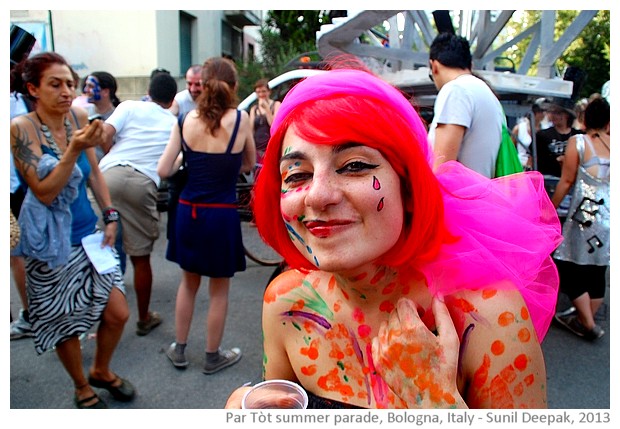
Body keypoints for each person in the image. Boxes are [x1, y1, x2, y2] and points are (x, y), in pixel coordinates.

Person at [225, 62, 562, 409]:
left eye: (354, 165)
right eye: (296, 174)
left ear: (409, 189)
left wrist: (435, 400)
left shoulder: (489, 317)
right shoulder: (286, 304)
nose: (317, 195)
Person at [10, 51, 134, 408]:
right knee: (65, 323)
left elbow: (94, 172)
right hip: (50, 245)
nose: (67, 91)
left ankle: (101, 369)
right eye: (55, 84)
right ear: (33, 88)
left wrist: (110, 214)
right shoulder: (21, 129)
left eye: (69, 83)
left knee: (117, 312)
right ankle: (81, 385)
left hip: (88, 235)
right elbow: (45, 192)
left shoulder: (76, 116)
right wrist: (73, 148)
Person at [158, 57, 255, 374]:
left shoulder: (185, 119)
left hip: (189, 212)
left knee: (188, 284)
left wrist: (186, 164)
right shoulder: (241, 120)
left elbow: (163, 169)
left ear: (203, 83)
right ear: (234, 87)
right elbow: (247, 164)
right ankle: (213, 356)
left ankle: (180, 349)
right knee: (219, 290)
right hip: (221, 215)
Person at [99, 72, 178, 336]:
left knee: (97, 252)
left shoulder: (129, 106)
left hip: (106, 175)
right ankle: (144, 318)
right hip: (141, 182)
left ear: (148, 90)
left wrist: (112, 153)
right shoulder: (173, 121)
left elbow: (105, 133)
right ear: (171, 100)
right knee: (140, 257)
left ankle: (97, 319)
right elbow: (173, 163)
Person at [551, 96, 609, 340]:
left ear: (584, 119)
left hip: (585, 216)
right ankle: (583, 318)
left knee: (566, 265)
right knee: (597, 270)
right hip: (609, 218)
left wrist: (551, 207)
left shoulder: (579, 142)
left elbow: (566, 181)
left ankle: (587, 323)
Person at [427, 32, 505, 178]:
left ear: (434, 66)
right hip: (482, 194)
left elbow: (442, 168)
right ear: (470, 64)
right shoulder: (487, 92)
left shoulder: (456, 90)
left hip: (458, 197)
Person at [164, 64, 203, 262]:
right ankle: (176, 239)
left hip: (205, 160)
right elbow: (170, 119)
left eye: (198, 84)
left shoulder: (212, 101)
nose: (193, 88)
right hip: (183, 159)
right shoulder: (179, 100)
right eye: (190, 84)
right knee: (175, 199)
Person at [535, 97, 584, 220]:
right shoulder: (542, 135)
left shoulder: (579, 136)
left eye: (558, 113)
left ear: (566, 115)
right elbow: (536, 159)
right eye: (552, 112)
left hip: (573, 185)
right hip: (549, 183)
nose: (554, 116)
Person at [82, 71, 122, 159]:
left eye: (91, 86)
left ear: (105, 92)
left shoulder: (119, 116)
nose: (85, 90)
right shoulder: (82, 114)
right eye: (86, 86)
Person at [511, 98, 549, 171]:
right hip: (520, 168)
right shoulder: (519, 128)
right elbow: (510, 150)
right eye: (541, 111)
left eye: (545, 111)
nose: (543, 114)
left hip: (539, 169)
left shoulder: (546, 129)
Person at [249, 78, 281, 165]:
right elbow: (251, 130)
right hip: (258, 149)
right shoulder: (254, 109)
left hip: (270, 147)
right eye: (258, 92)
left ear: (269, 92)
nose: (261, 94)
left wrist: (267, 109)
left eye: (263, 91)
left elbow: (274, 125)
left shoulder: (276, 105)